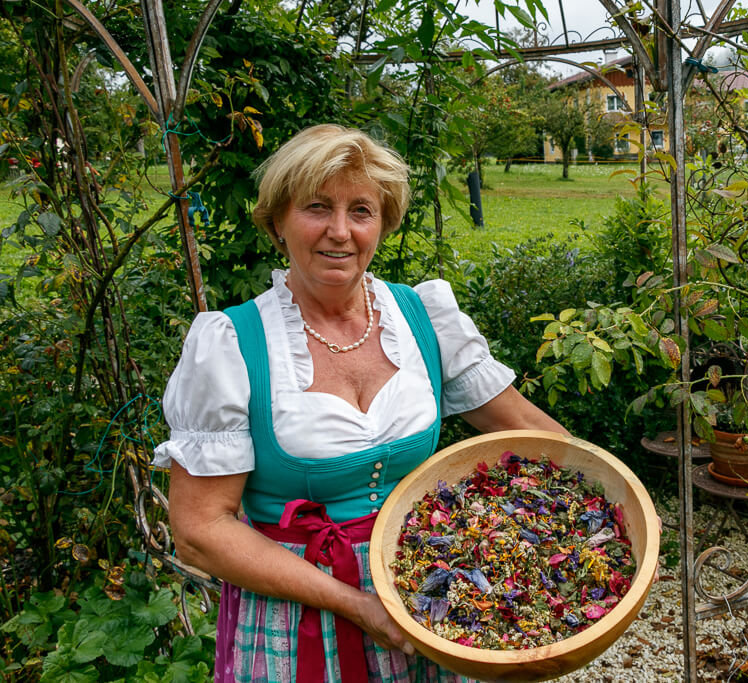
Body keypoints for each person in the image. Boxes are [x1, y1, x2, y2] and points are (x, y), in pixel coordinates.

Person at [155, 124, 568, 683]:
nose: (340, 232)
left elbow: (525, 429)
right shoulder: (233, 345)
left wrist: (619, 506)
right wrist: (355, 603)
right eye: (317, 207)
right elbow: (200, 531)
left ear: (383, 222)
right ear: (277, 220)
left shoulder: (421, 317)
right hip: (295, 618)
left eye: (361, 211)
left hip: (430, 596)